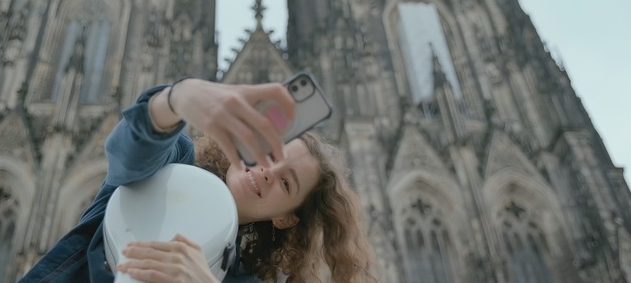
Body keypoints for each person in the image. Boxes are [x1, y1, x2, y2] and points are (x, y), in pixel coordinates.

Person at [19, 78, 377, 282]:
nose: (268, 173)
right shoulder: (170, 163)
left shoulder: (242, 279)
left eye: (286, 184)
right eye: (272, 154)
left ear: (286, 217)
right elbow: (128, 149)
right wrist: (178, 98)